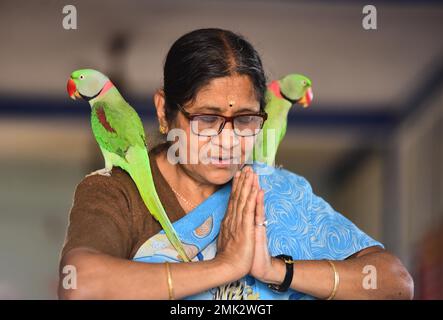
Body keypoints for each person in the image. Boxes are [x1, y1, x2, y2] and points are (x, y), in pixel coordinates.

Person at [58, 28, 413, 300]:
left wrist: (275, 270)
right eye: (207, 119)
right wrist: (225, 267)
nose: (228, 141)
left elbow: (395, 283)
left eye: (245, 120)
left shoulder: (276, 190)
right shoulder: (117, 192)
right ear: (164, 111)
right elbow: (80, 283)